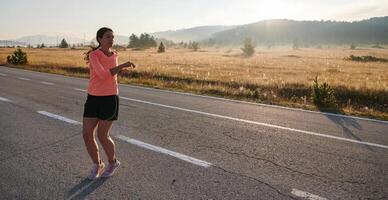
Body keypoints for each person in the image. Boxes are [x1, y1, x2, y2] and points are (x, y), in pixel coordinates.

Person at [82, 27, 135, 180]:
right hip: (93, 98)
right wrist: (121, 67)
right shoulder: (94, 55)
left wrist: (119, 69)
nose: (111, 39)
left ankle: (112, 162)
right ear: (100, 39)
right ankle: (97, 164)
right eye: (108, 37)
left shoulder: (114, 55)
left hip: (110, 98)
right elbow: (103, 74)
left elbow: (111, 74)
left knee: (102, 135)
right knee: (86, 134)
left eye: (112, 37)